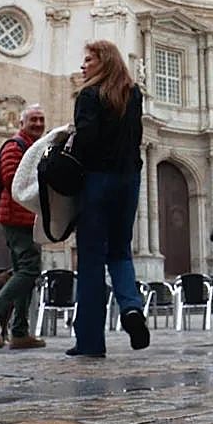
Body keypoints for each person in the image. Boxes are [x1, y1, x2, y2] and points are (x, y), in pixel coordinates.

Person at [66, 40, 149, 358]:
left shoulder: (88, 95)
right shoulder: (134, 94)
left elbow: (86, 139)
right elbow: (137, 138)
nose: (84, 65)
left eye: (89, 60)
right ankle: (131, 309)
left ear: (105, 62)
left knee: (90, 261)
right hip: (129, 180)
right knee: (120, 252)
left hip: (97, 181)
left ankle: (90, 341)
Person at [0, 104, 47, 350]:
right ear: (21, 123)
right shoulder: (15, 146)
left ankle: (19, 332)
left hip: (26, 218)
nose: (37, 124)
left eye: (41, 120)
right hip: (17, 218)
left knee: (21, 271)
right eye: (33, 120)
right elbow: (12, 179)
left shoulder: (32, 147)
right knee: (29, 269)